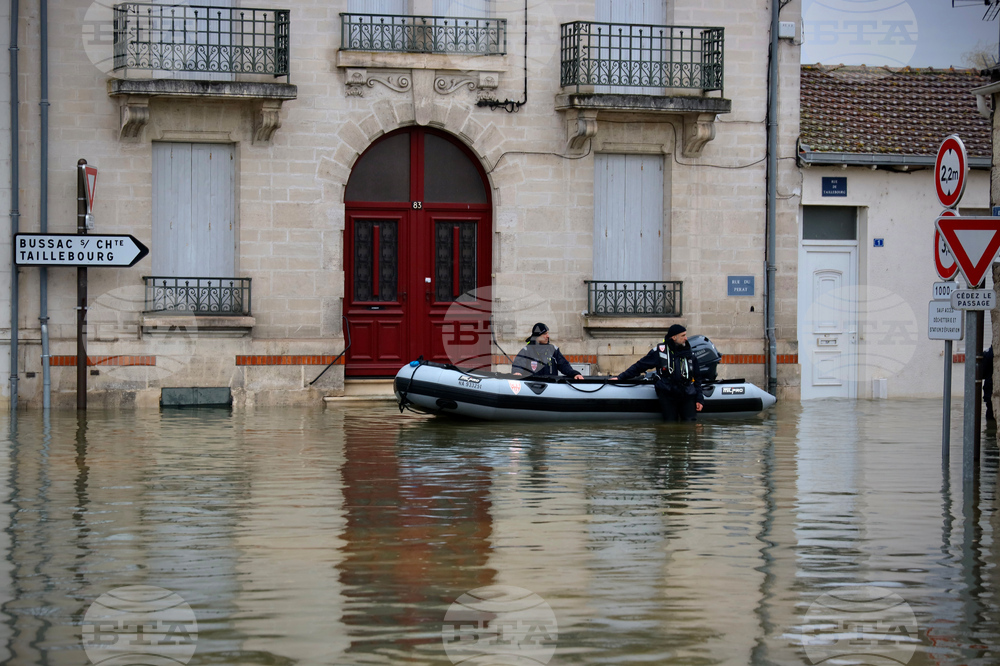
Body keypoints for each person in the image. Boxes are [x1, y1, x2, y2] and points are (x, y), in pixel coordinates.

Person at [613, 324, 704, 421]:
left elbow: (697, 377)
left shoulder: (690, 353)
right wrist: (620, 377)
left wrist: (699, 398)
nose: (686, 338)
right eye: (683, 335)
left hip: (687, 394)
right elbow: (640, 366)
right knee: (669, 425)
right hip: (668, 394)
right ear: (674, 337)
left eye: (685, 335)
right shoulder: (660, 352)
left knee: (690, 425)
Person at [512, 322, 584, 379]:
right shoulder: (527, 351)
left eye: (548, 333)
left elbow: (564, 365)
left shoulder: (553, 350)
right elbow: (518, 364)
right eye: (544, 334)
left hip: (551, 389)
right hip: (532, 390)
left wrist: (574, 373)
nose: (548, 336)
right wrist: (517, 372)